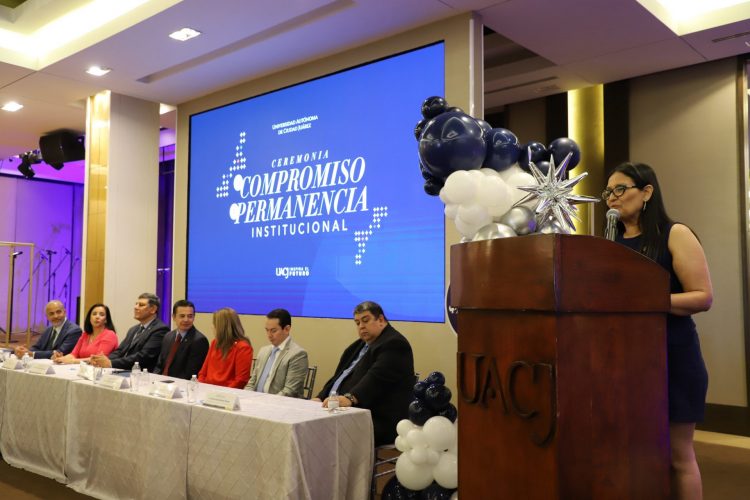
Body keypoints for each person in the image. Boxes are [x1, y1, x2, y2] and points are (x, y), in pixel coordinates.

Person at [604, 162, 712, 500]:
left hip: (673, 358)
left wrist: (645, 301)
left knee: (678, 457)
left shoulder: (674, 233)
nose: (612, 197)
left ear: (647, 192)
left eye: (620, 189)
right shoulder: (608, 243)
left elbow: (703, 297)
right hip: (624, 363)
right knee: (636, 456)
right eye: (608, 192)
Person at [315, 301, 414, 447]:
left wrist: (350, 398)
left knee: (318, 432)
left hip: (376, 417)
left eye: (365, 320)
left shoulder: (395, 344)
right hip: (344, 410)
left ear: (381, 320)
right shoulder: (357, 346)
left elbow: (376, 379)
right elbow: (339, 377)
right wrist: (320, 397)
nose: (361, 326)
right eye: (357, 323)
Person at [90, 293, 169, 371]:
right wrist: (102, 360)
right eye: (136, 304)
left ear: (153, 309)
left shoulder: (160, 329)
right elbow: (120, 351)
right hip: (124, 371)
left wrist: (111, 363)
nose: (136, 307)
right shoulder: (133, 329)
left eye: (141, 305)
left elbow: (144, 356)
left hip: (143, 374)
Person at [245, 308, 308, 397]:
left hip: (280, 402)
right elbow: (252, 383)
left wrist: (266, 401)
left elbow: (289, 390)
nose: (269, 335)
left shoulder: (298, 354)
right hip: (256, 400)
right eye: (267, 330)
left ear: (287, 329)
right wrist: (246, 397)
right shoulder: (263, 351)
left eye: (273, 331)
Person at [153, 299, 209, 380]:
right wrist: (154, 380)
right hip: (161, 383)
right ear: (173, 317)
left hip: (180, 384)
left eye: (190, 316)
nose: (186, 320)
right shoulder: (168, 336)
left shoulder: (199, 340)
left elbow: (190, 373)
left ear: (194, 317)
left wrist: (167, 384)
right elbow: (159, 365)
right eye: (182, 316)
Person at [198, 307, 253, 388]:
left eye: (214, 324)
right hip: (207, 390)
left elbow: (241, 380)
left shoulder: (243, 348)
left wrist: (221, 393)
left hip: (226, 393)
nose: (212, 327)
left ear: (221, 327)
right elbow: (203, 373)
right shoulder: (215, 343)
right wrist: (201, 387)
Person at [15, 300, 81, 360]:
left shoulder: (74, 331)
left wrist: (32, 354)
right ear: (47, 317)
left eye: (58, 312)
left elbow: (60, 352)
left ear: (65, 312)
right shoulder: (48, 330)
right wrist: (24, 351)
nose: (55, 316)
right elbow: (37, 347)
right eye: (51, 314)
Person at [53, 304, 118, 364]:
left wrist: (73, 361)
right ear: (90, 318)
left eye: (101, 315)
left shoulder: (110, 335)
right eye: (94, 314)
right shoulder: (85, 334)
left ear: (106, 320)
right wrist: (61, 359)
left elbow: (97, 359)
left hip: (101, 371)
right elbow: (73, 354)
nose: (97, 317)